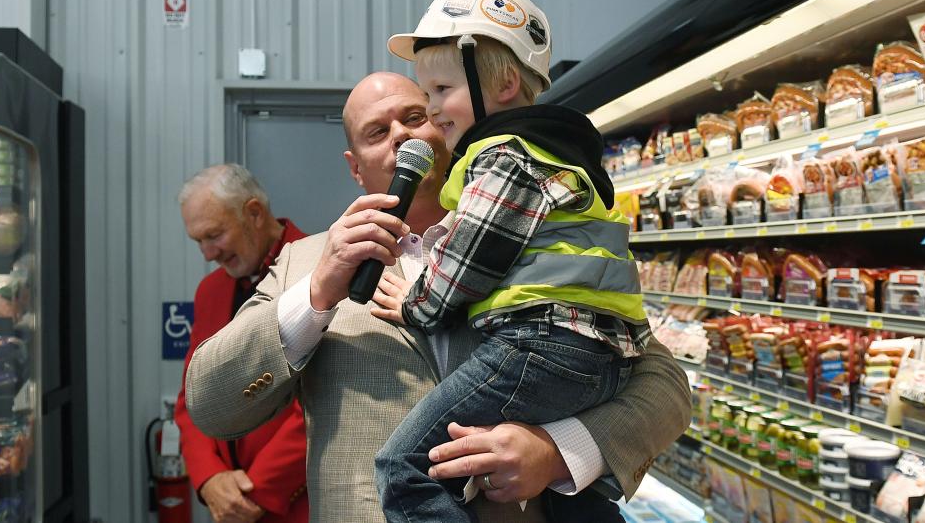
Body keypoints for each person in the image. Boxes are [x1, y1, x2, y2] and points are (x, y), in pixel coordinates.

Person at [184, 72, 692, 523]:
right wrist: (317, 292)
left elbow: (665, 384)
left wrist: (560, 453)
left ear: (449, 133)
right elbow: (211, 405)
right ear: (355, 167)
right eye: (377, 132)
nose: (402, 135)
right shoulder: (303, 263)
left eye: (415, 117)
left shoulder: (534, 235)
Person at [368, 0, 653, 523]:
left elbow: (460, 271)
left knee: (405, 468)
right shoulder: (555, 155)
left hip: (541, 344)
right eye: (426, 94)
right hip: (603, 356)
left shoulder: (503, 159)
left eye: (440, 91)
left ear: (501, 83)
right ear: (353, 163)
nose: (431, 113)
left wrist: (412, 301)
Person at [176, 164, 308, 523]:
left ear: (254, 213)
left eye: (213, 235)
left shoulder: (320, 269)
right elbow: (192, 397)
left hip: (298, 504)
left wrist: (256, 492)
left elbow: (325, 401)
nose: (206, 254)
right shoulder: (210, 291)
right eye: (198, 241)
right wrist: (208, 479)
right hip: (228, 505)